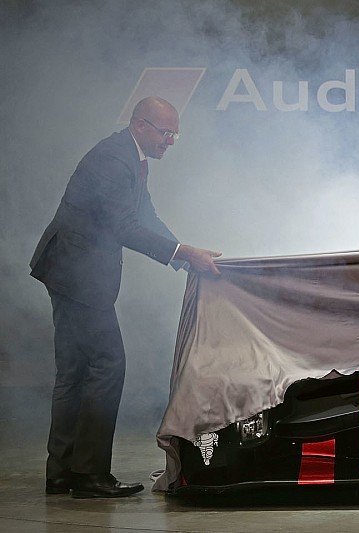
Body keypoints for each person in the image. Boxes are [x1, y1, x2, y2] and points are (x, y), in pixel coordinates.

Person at [30, 96, 222, 498]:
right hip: (77, 276)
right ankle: (89, 475)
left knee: (74, 372)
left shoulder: (132, 158)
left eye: (175, 134)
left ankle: (63, 472)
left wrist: (183, 255)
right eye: (166, 132)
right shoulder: (115, 161)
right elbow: (125, 228)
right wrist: (184, 254)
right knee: (106, 366)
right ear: (141, 126)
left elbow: (145, 216)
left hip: (70, 272)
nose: (171, 141)